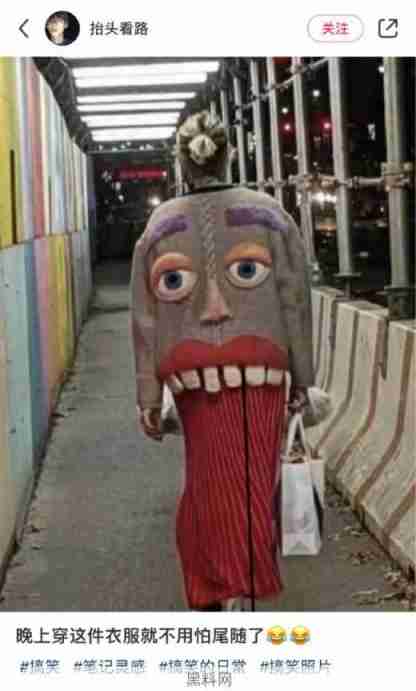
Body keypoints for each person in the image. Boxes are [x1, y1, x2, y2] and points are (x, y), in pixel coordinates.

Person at [130, 110, 314, 611]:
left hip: (193, 379)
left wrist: (149, 396)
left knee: (206, 479)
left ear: (183, 162)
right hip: (263, 370)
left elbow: (145, 318)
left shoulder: (160, 225)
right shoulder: (270, 213)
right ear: (229, 153)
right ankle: (241, 580)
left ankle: (211, 582)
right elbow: (295, 302)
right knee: (254, 480)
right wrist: (304, 380)